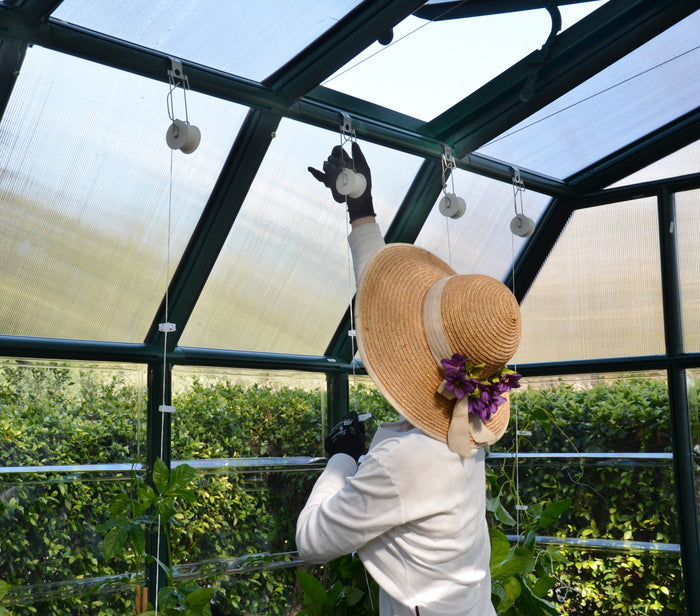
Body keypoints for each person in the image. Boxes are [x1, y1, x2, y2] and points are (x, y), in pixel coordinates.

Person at [296, 143, 522, 616]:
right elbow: (383, 301)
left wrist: (342, 459)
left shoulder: (407, 460)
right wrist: (362, 212)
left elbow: (312, 540)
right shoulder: (466, 427)